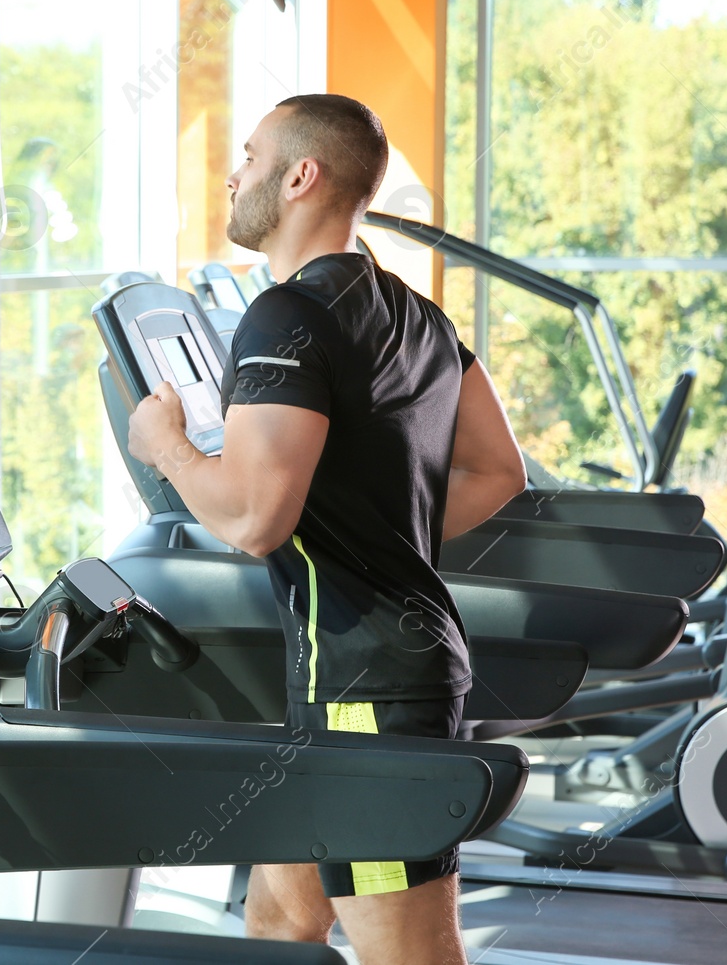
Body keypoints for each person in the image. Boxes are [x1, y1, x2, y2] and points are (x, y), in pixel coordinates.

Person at [126, 94, 527, 965]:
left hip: (366, 692)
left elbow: (252, 518)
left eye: (251, 154)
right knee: (280, 922)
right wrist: (377, 527)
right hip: (358, 672)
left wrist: (166, 448)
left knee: (408, 951)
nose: (235, 172)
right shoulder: (416, 314)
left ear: (301, 176)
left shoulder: (286, 317)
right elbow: (501, 470)